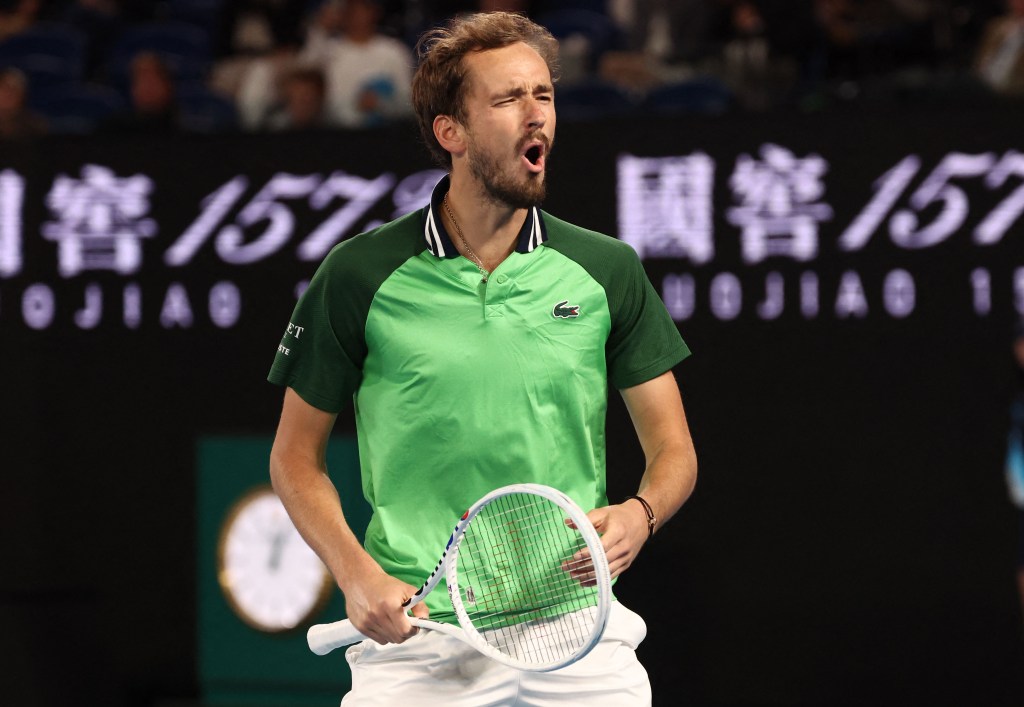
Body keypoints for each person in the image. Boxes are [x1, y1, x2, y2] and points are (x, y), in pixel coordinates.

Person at [268, 11, 697, 705]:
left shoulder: (605, 269)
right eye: (508, 100)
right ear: (451, 132)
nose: (537, 118)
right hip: (423, 643)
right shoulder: (358, 275)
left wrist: (640, 514)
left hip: (577, 637)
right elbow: (293, 458)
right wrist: (355, 574)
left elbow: (673, 447)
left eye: (544, 96)